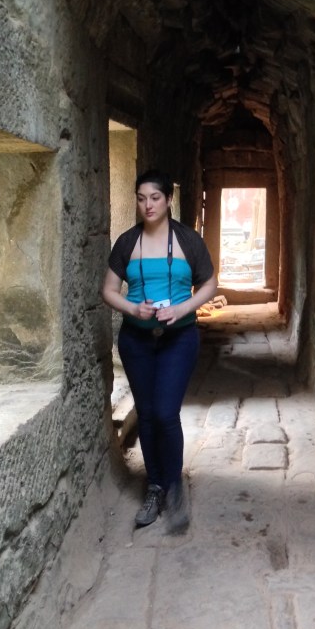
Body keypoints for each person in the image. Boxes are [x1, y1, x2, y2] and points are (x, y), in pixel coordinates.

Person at [102, 169, 217, 533]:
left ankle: (174, 484)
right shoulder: (127, 242)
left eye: (154, 198)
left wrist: (182, 309)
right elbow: (108, 290)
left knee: (166, 412)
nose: (147, 205)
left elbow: (210, 284)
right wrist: (132, 308)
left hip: (178, 338)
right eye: (141, 198)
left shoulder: (187, 240)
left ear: (168, 199)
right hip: (136, 341)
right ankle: (155, 486)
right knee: (148, 414)